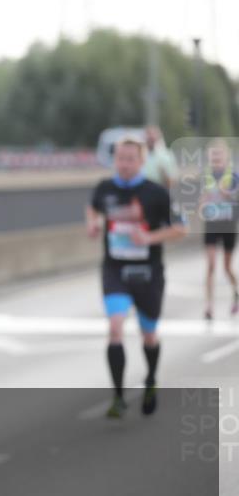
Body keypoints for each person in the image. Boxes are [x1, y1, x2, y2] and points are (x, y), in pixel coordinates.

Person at [86, 136, 184, 419]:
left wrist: (149, 237)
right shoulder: (105, 189)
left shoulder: (156, 193)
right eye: (120, 158)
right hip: (115, 269)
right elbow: (92, 207)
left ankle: (151, 379)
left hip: (149, 272)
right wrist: (92, 223)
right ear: (114, 160)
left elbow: (181, 229)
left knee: (148, 334)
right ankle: (118, 395)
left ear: (142, 161)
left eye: (130, 159)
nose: (125, 164)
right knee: (115, 328)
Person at [199, 138, 239, 320]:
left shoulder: (233, 176)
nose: (216, 159)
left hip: (228, 224)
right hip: (212, 223)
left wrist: (228, 194)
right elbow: (201, 200)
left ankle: (236, 293)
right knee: (211, 265)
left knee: (227, 267)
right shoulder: (206, 176)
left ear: (226, 157)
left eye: (219, 155)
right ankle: (209, 305)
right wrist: (203, 203)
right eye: (213, 156)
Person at [141, 125, 179, 189]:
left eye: (153, 135)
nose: (151, 137)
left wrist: (164, 175)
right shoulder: (138, 155)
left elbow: (172, 181)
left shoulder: (167, 155)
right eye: (148, 134)